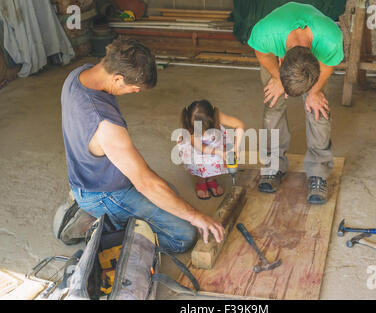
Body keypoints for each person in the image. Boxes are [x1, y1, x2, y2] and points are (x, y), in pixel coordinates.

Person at [61, 37, 224, 253]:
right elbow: (145, 182)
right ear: (118, 79)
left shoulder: (79, 75)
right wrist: (197, 216)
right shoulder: (105, 124)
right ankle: (100, 225)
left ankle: (102, 214)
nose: (136, 92)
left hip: (90, 177)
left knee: (171, 194)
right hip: (104, 193)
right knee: (183, 236)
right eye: (134, 88)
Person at [247, 1, 344, 204]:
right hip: (276, 64)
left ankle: (318, 172)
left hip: (313, 60)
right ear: (282, 61)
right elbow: (262, 54)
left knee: (319, 111)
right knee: (273, 106)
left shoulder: (330, 39)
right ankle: (273, 165)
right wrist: (277, 77)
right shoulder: (266, 33)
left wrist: (314, 91)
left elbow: (328, 65)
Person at [177, 100, 245, 200]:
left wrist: (235, 148)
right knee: (200, 164)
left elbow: (239, 125)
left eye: (207, 129)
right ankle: (201, 181)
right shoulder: (189, 125)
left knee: (215, 163)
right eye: (200, 131)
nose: (204, 133)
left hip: (214, 143)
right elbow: (199, 147)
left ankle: (211, 178)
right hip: (197, 148)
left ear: (213, 117)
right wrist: (219, 152)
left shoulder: (217, 116)